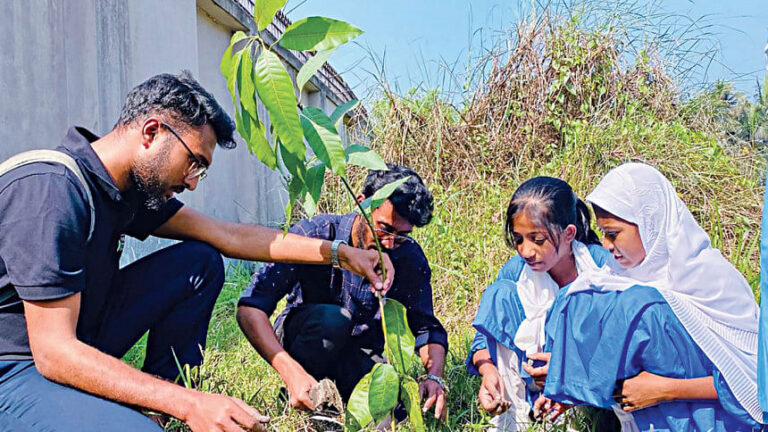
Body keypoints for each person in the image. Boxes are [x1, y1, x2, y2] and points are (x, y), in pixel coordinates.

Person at [0, 71, 393, 432]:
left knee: (199, 262)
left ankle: (159, 405)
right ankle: (166, 409)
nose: (192, 183)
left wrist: (340, 253)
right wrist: (189, 402)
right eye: (194, 163)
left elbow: (228, 235)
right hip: (18, 366)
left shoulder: (126, 193)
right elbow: (54, 353)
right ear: (152, 132)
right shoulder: (51, 188)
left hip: (78, 336)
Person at [542, 162, 762, 431]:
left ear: (650, 223)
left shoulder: (711, 281)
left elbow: (757, 380)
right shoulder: (617, 278)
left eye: (613, 234)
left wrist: (667, 389)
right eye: (604, 234)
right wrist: (570, 370)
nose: (607, 246)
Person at [236, 164, 449, 423]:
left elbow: (427, 328)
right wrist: (290, 371)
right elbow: (250, 308)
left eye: (402, 235)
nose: (389, 244)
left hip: (360, 351)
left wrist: (434, 377)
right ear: (361, 203)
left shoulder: (407, 257)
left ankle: (342, 398)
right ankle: (304, 392)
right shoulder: (315, 235)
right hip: (307, 339)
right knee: (334, 320)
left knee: (389, 418)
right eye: (384, 229)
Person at [465, 177, 617, 431]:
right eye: (519, 239)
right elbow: (484, 339)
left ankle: (573, 418)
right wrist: (488, 370)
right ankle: (511, 415)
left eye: (537, 239)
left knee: (574, 300)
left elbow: (618, 342)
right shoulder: (516, 270)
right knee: (499, 294)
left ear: (569, 233)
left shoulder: (601, 266)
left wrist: (568, 369)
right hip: (533, 381)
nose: (525, 251)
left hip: (589, 383)